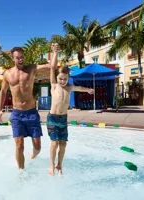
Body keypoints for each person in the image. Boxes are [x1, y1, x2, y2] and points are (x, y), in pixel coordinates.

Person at [0, 45, 60, 169]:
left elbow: (52, 67)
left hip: (31, 113)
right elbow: (3, 91)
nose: (20, 60)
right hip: (17, 114)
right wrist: (0, 109)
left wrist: (55, 53)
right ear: (13, 59)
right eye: (17, 58)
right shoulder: (7, 74)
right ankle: (21, 172)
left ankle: (32, 157)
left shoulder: (31, 68)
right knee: (19, 146)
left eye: (22, 57)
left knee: (37, 147)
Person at [48, 43, 94, 176]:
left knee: (63, 144)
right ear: (57, 78)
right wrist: (55, 52)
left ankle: (59, 165)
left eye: (65, 79)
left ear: (68, 78)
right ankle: (51, 165)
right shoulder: (54, 85)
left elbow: (79, 88)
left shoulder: (69, 87)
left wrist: (89, 90)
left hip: (63, 119)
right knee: (54, 144)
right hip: (53, 118)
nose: (62, 81)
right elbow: (52, 68)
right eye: (60, 78)